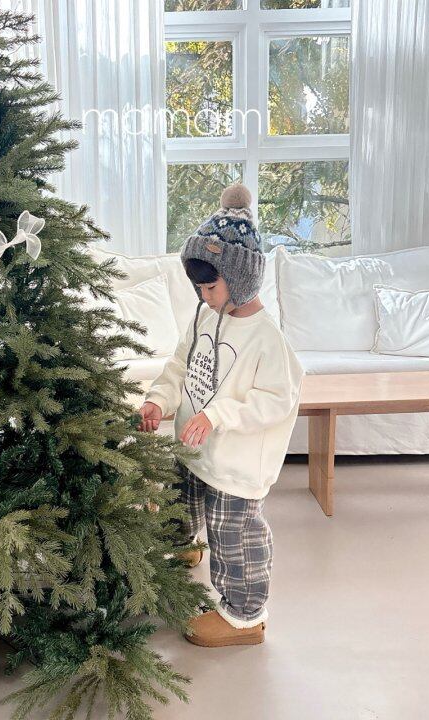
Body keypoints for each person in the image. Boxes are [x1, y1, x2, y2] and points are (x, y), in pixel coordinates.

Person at [137, 183, 304, 648]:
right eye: (199, 288)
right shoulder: (205, 317)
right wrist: (159, 400)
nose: (204, 295)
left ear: (241, 279)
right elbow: (180, 365)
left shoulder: (267, 339)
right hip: (194, 449)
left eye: (211, 287)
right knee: (180, 500)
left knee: (234, 534)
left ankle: (244, 617)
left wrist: (218, 414)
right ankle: (183, 547)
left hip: (235, 463)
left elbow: (277, 400)